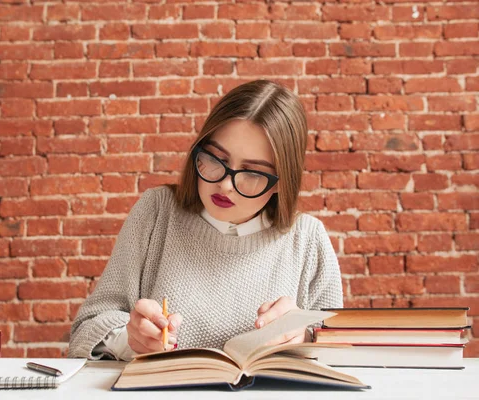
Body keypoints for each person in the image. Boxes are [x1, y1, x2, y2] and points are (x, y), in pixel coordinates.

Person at [68, 80, 343, 361]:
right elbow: (84, 331)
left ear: (281, 183)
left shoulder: (308, 239)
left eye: (253, 173)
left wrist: (304, 338)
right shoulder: (156, 213)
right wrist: (129, 340)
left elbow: (341, 355)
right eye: (215, 159)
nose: (225, 184)